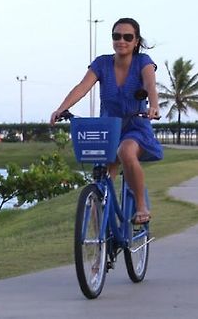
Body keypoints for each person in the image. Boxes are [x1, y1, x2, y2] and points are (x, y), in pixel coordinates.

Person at [50, 18, 163, 225]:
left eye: (128, 37)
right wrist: (62, 108)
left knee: (126, 152)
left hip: (135, 126)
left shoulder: (143, 61)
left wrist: (153, 106)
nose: (122, 41)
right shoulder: (102, 63)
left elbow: (150, 85)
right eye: (116, 36)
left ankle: (141, 206)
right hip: (108, 129)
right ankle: (101, 240)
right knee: (101, 180)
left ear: (136, 41)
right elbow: (82, 87)